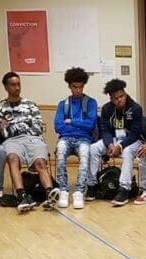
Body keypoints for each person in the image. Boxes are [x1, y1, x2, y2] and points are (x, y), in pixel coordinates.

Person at [0, 72, 60, 213]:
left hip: (33, 139)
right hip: (11, 141)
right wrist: (24, 126)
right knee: (13, 158)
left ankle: (49, 193)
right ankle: (21, 195)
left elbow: (38, 127)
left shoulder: (30, 104)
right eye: (13, 85)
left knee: (40, 162)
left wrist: (13, 126)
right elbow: (5, 132)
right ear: (6, 87)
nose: (17, 87)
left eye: (18, 84)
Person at [88, 78, 145, 206]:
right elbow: (105, 130)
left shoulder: (136, 108)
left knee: (127, 151)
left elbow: (135, 134)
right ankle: (92, 185)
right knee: (93, 148)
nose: (119, 100)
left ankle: (124, 189)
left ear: (125, 93)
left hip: (133, 140)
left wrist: (120, 146)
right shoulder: (107, 109)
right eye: (115, 98)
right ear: (110, 98)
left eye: (121, 96)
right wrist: (110, 144)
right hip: (114, 140)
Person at [53, 67, 99, 209]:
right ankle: (63, 190)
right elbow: (58, 127)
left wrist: (71, 121)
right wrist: (80, 125)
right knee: (60, 154)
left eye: (81, 87)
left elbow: (91, 125)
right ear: (69, 86)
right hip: (65, 138)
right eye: (75, 87)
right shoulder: (63, 104)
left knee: (85, 158)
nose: (78, 90)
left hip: (84, 139)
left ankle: (79, 192)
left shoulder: (91, 102)